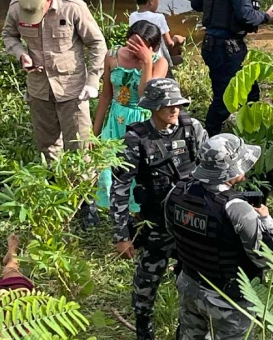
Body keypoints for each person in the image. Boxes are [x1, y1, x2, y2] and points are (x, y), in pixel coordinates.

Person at [110, 78, 207, 340]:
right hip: (156, 223)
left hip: (190, 222)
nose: (174, 109)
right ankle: (144, 329)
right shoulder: (136, 138)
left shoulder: (191, 128)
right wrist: (122, 236)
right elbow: (119, 187)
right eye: (168, 105)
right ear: (153, 107)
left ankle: (186, 330)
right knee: (147, 280)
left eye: (178, 104)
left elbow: (210, 169)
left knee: (194, 281)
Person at [1, 0, 107, 228]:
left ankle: (87, 202)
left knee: (79, 145)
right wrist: (21, 55)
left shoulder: (72, 8)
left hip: (72, 89)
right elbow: (9, 35)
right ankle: (56, 192)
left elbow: (97, 43)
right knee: (47, 144)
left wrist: (93, 80)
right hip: (39, 89)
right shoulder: (17, 8)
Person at [165, 133, 273, 339]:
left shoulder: (176, 192)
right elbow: (267, 258)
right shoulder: (236, 208)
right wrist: (265, 221)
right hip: (228, 300)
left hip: (190, 285)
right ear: (231, 169)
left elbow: (173, 232)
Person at [93, 20, 168, 213]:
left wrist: (146, 63)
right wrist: (95, 131)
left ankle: (135, 210)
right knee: (107, 166)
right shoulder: (112, 56)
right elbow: (106, 95)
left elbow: (146, 95)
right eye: (130, 44)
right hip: (116, 119)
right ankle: (110, 208)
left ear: (152, 48)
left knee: (136, 167)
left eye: (139, 47)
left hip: (140, 121)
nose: (132, 50)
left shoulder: (159, 62)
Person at [191, 0, 273, 137]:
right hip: (227, 48)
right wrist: (266, 16)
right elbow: (245, 15)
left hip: (212, 45)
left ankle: (250, 131)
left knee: (250, 91)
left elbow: (196, 4)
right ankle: (209, 139)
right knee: (224, 100)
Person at [128, 0, 185, 77]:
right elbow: (169, 43)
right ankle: (171, 66)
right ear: (151, 1)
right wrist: (177, 39)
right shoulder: (159, 17)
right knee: (179, 55)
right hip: (156, 59)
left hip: (137, 57)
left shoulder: (132, 16)